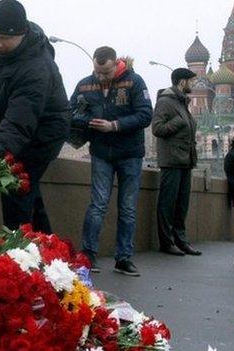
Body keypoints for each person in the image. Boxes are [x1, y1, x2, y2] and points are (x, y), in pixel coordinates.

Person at [0, 0, 69, 233]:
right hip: (15, 129)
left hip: (42, 134)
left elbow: (17, 125)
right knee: (29, 194)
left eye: (4, 39)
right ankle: (53, 256)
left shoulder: (36, 69)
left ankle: (19, 254)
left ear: (22, 34)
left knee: (16, 189)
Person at [70, 46, 153, 276]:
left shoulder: (134, 82)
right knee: (97, 204)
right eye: (97, 71)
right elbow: (71, 111)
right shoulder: (85, 84)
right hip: (101, 153)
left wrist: (114, 125)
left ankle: (124, 258)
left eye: (105, 72)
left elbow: (146, 115)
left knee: (127, 208)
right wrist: (87, 121)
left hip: (130, 154)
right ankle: (87, 255)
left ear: (117, 64)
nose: (101, 77)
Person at [152, 68, 202, 256]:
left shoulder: (182, 103)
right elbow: (157, 128)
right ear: (182, 82)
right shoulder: (166, 102)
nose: (194, 84)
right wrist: (179, 123)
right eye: (192, 81)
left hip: (186, 160)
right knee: (168, 203)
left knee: (182, 204)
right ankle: (166, 242)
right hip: (172, 160)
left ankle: (181, 240)